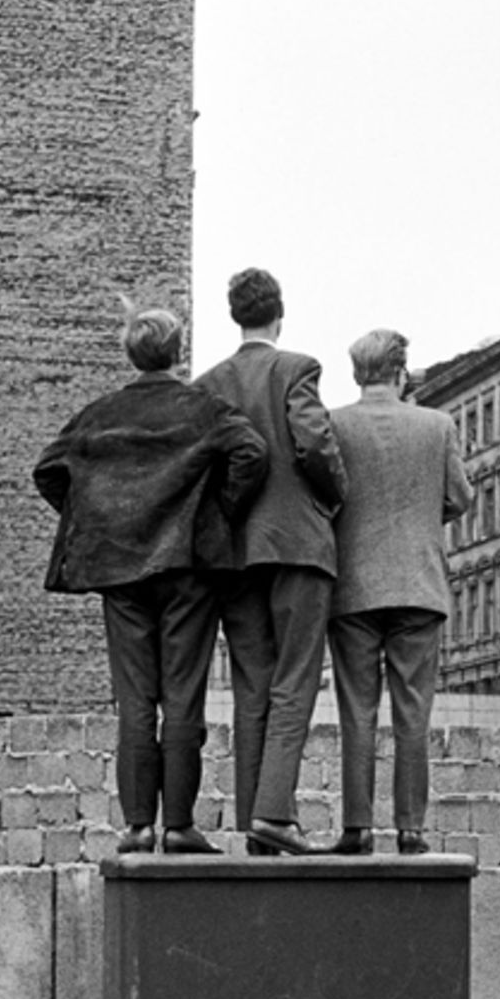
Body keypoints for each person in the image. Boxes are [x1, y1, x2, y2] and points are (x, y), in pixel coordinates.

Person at [34, 300, 268, 855]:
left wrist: (98, 518)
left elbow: (48, 470)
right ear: (178, 350)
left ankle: (138, 825)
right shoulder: (203, 410)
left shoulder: (98, 414)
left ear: (130, 353)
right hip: (189, 567)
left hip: (120, 570)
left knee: (135, 698)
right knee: (183, 698)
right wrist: (219, 514)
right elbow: (251, 453)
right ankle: (179, 825)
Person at [194, 267, 348, 855]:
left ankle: (252, 820)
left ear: (236, 316)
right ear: (278, 314)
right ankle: (275, 813)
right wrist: (332, 497)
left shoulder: (208, 384)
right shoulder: (296, 369)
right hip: (298, 545)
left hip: (236, 553)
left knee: (249, 684)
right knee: (296, 680)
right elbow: (314, 443)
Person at [325, 328, 472, 855]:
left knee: (356, 710)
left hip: (353, 588)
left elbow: (326, 498)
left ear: (357, 372)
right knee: (414, 713)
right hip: (418, 584)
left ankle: (356, 828)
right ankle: (410, 829)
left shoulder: (334, 425)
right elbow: (458, 497)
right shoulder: (437, 425)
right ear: (401, 371)